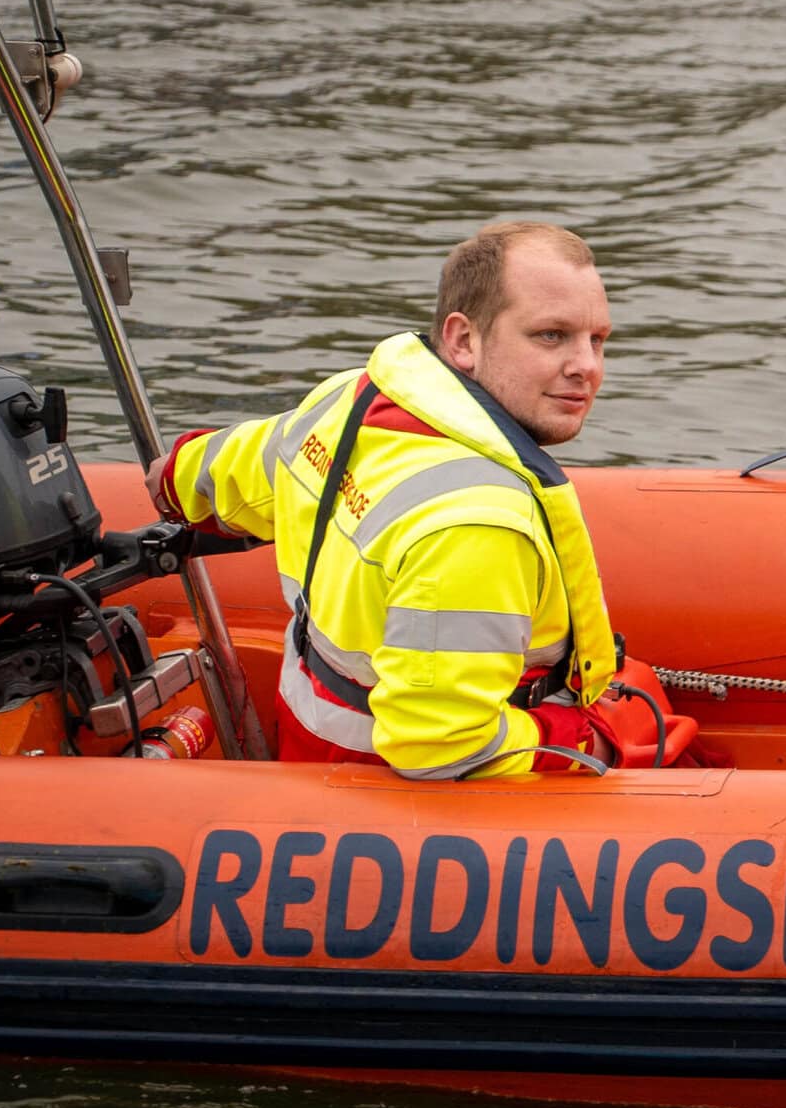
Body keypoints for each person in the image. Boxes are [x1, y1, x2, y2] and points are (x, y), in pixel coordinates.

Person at [147, 221, 686, 777]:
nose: (587, 367)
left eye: (597, 340)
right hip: (386, 791)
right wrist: (589, 745)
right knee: (652, 724)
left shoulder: (351, 400)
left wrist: (174, 478)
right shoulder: (480, 524)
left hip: (311, 733)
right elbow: (441, 747)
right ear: (463, 340)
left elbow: (220, 471)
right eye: (551, 335)